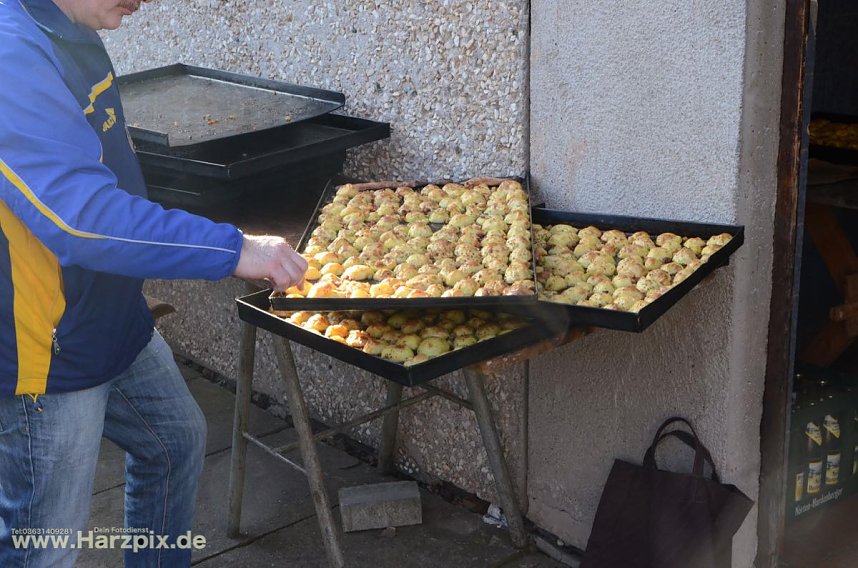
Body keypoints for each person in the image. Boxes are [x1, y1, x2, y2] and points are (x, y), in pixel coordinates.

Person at [0, 0, 308, 566]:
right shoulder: (10, 53)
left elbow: (108, 167)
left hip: (112, 316)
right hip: (46, 349)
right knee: (44, 547)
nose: (143, 2)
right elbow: (80, 218)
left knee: (173, 442)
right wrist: (233, 248)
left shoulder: (73, 23)